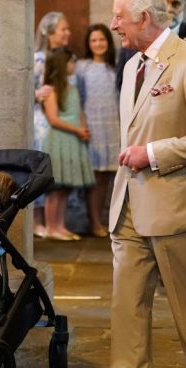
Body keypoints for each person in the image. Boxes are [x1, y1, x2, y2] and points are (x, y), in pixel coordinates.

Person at [108, 0, 186, 367]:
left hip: (177, 209)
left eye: (119, 17)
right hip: (128, 207)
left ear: (143, 18)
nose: (113, 24)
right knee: (127, 311)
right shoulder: (130, 67)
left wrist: (152, 153)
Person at [41, 48, 95, 241]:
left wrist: (84, 127)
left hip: (73, 140)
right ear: (63, 64)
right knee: (55, 189)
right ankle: (51, 227)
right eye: (71, 62)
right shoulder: (51, 90)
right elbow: (53, 119)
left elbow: (78, 112)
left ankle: (60, 225)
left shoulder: (71, 88)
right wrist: (77, 130)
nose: (74, 65)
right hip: (59, 140)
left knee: (66, 188)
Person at [75, 24, 120, 238]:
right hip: (92, 124)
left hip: (113, 125)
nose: (98, 44)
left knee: (106, 176)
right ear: (88, 44)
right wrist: (82, 124)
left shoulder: (116, 66)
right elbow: (78, 99)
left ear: (108, 42)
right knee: (93, 176)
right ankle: (93, 221)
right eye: (93, 40)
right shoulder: (82, 67)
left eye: (102, 39)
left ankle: (103, 219)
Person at [32, 12, 71, 238]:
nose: (67, 33)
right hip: (41, 120)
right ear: (48, 32)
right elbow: (26, 90)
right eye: (63, 29)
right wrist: (37, 94)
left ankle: (55, 220)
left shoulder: (64, 58)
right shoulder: (39, 59)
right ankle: (37, 221)